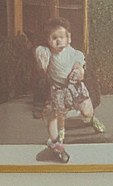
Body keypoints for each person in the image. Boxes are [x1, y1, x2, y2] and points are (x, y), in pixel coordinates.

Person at [34, 16, 103, 163]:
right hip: (58, 90)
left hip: (75, 88)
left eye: (62, 37)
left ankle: (90, 119)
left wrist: (78, 72)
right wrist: (41, 58)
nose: (59, 41)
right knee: (54, 115)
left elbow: (79, 65)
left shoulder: (74, 53)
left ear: (69, 38)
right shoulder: (47, 53)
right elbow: (41, 60)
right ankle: (57, 144)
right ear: (48, 40)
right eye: (54, 38)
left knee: (87, 112)